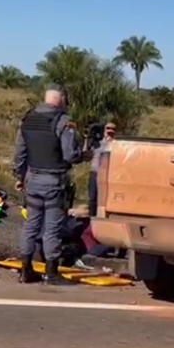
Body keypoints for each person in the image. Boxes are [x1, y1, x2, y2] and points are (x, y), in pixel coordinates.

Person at [13, 84, 88, 285]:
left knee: (30, 225)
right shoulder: (63, 121)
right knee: (52, 229)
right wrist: (85, 154)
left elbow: (20, 153)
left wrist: (19, 177)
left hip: (33, 180)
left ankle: (25, 270)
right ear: (62, 99)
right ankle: (51, 273)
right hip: (54, 182)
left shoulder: (28, 119)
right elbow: (70, 155)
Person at [88, 122, 115, 217]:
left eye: (112, 130)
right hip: (95, 171)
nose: (110, 131)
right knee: (92, 197)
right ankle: (91, 216)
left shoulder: (115, 144)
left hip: (108, 174)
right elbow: (87, 153)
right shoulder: (97, 143)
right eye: (108, 129)